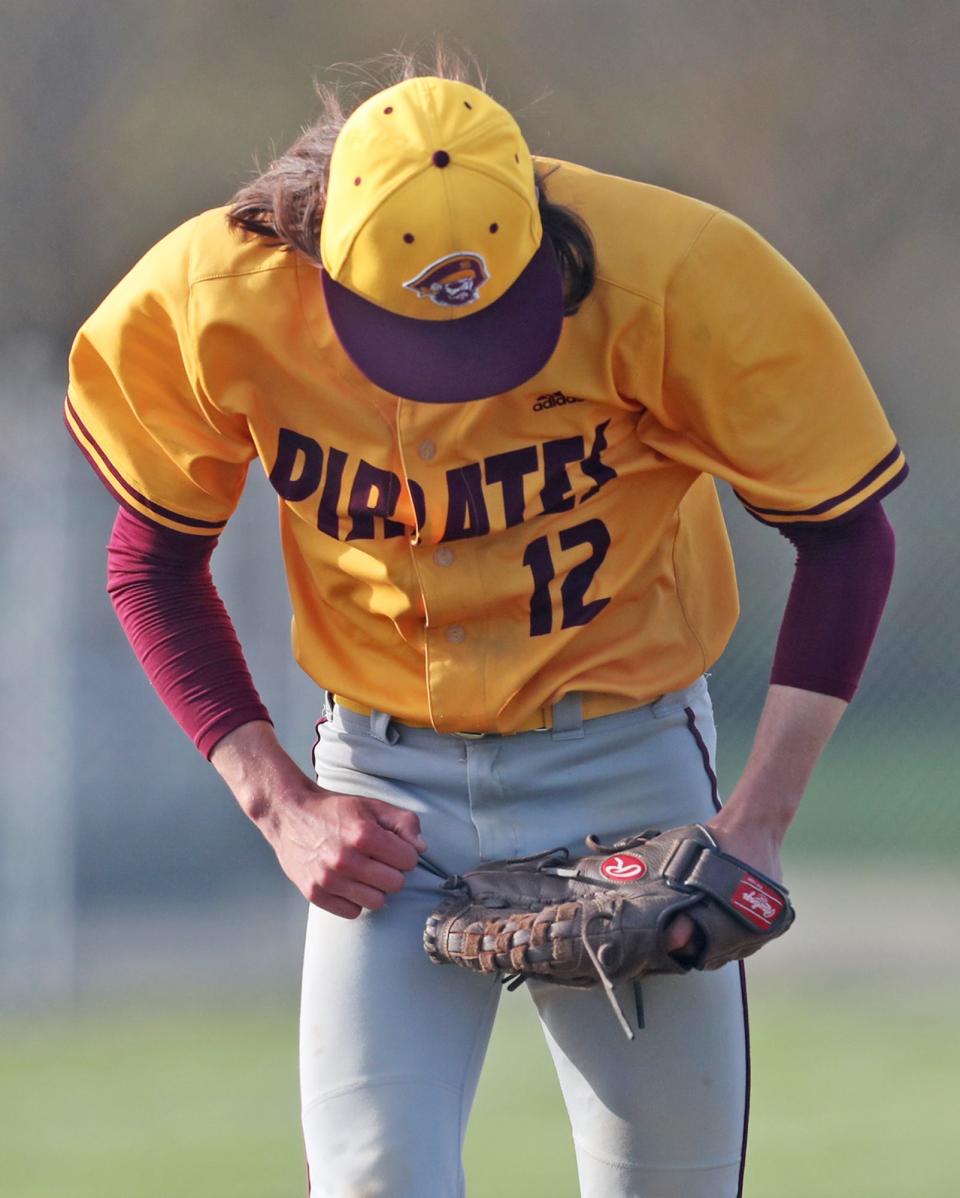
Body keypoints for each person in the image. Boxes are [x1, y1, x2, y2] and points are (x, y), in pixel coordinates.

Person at [66, 50, 906, 1198]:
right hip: (383, 785)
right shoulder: (216, 298)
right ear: (324, 255)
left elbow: (848, 533)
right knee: (371, 1181)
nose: (454, 376)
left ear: (539, 225)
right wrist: (282, 803)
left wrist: (756, 824)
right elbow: (151, 558)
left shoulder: (675, 275)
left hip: (627, 776)